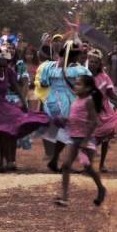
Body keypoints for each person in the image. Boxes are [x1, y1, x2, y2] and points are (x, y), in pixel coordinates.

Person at [55, 75, 106, 208]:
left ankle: (101, 188)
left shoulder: (88, 101)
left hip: (86, 139)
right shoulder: (76, 100)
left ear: (88, 88)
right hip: (73, 137)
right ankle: (65, 197)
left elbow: (95, 121)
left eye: (79, 84)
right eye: (76, 84)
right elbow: (76, 118)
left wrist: (86, 140)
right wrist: (65, 119)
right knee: (66, 165)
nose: (75, 86)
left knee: (88, 167)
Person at [41, 41, 92, 172]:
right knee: (72, 134)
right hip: (68, 104)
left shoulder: (50, 67)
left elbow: (43, 84)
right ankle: (66, 164)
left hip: (52, 102)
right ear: (75, 56)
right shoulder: (79, 70)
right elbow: (89, 84)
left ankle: (55, 160)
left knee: (64, 134)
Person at [87, 49, 117, 172]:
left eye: (95, 62)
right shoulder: (83, 75)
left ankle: (102, 164)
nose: (92, 64)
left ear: (99, 64)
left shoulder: (104, 77)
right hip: (89, 111)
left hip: (104, 110)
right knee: (91, 137)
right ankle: (88, 164)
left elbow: (111, 94)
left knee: (105, 138)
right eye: (91, 61)